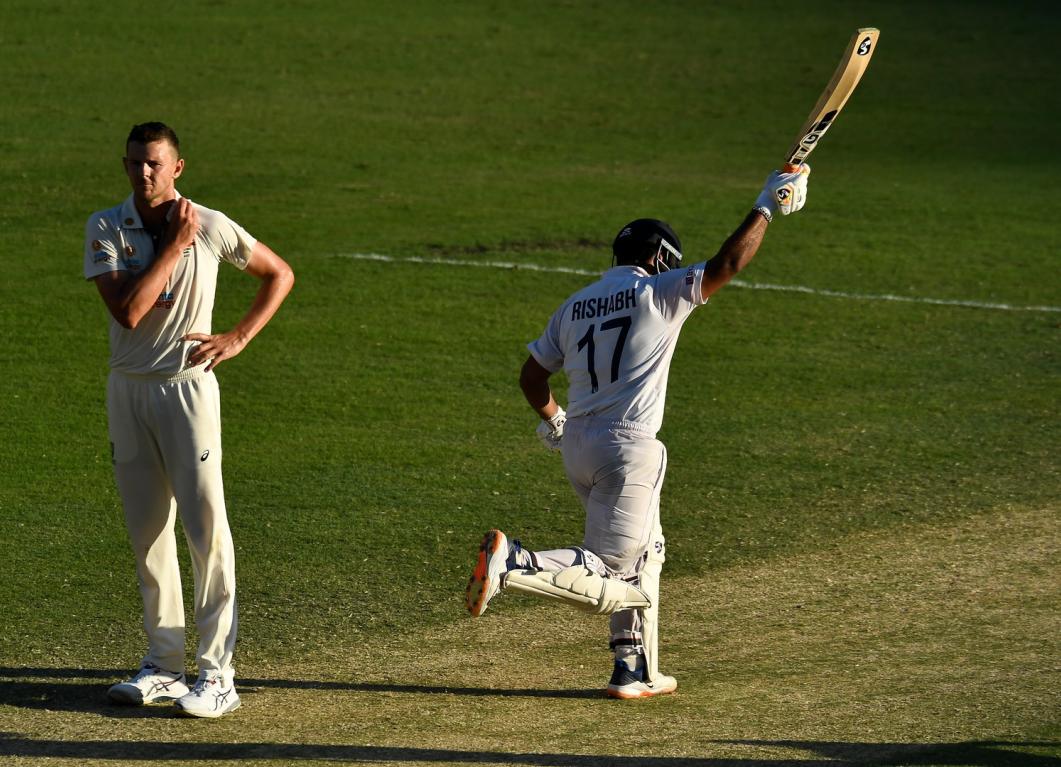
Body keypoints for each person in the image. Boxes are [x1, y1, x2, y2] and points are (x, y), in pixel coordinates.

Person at [466, 164, 811, 699]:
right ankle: (515, 563)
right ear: (659, 258)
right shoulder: (659, 292)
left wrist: (555, 419)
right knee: (609, 569)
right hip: (627, 449)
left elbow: (532, 376)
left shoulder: (574, 305)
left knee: (647, 552)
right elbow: (728, 263)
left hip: (577, 444)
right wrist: (767, 205)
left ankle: (633, 668)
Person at [84, 122, 294, 717]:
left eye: (154, 163)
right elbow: (129, 312)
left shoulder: (211, 225)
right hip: (128, 391)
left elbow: (279, 273)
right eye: (134, 163)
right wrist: (175, 246)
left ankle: (218, 676)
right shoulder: (106, 226)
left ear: (177, 167)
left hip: (187, 391)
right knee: (147, 532)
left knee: (206, 531)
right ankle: (164, 665)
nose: (143, 173)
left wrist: (239, 337)